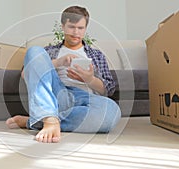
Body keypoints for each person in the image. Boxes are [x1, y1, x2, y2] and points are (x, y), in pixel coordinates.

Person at [6, 6, 121, 143]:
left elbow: (108, 89)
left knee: (112, 112)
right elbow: (26, 74)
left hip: (84, 100)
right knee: (34, 51)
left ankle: (35, 121)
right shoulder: (49, 51)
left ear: (85, 29)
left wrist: (89, 79)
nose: (76, 32)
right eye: (71, 27)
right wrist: (59, 62)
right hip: (56, 94)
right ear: (63, 27)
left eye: (80, 28)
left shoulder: (96, 55)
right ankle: (49, 118)